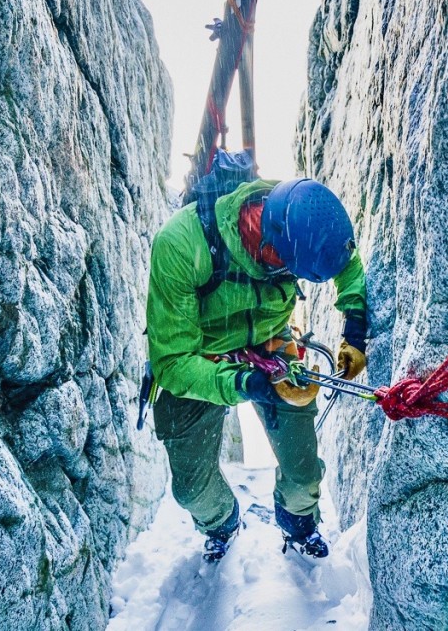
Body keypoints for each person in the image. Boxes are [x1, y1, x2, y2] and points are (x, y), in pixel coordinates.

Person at [145, 152, 367, 562]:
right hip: (198, 355)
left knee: (303, 478)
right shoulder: (180, 244)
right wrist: (241, 382)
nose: (292, 279)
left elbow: (346, 259)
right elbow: (172, 362)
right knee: (191, 490)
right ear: (266, 245)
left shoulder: (299, 217)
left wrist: (355, 329)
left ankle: (299, 523)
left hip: (271, 342)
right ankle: (222, 522)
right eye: (289, 271)